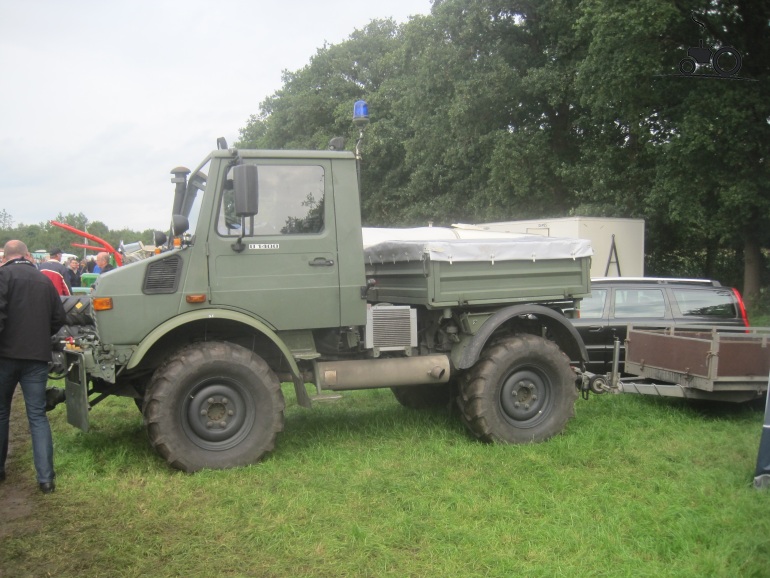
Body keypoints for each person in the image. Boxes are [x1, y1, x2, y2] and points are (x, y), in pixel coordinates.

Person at [0, 240, 67, 494]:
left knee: (2, 413)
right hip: (37, 358)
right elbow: (59, 317)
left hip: (5, 355)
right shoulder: (44, 281)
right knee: (37, 416)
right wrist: (41, 335)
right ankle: (46, 479)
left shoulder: (2, 276)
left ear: (6, 257)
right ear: (27, 256)